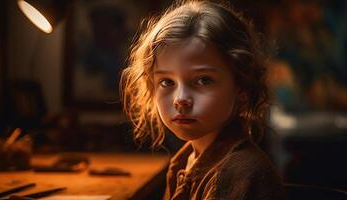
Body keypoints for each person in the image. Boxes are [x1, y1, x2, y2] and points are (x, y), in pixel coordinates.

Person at [120, 1, 287, 199]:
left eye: (203, 80)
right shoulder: (186, 161)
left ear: (241, 87)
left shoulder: (241, 174)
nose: (180, 99)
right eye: (166, 82)